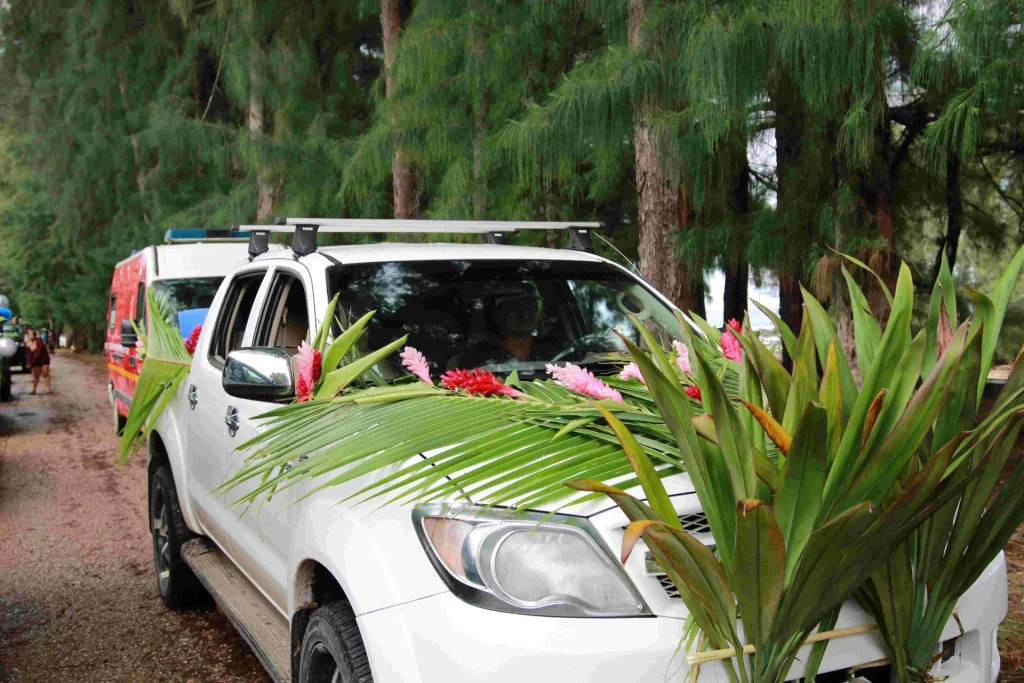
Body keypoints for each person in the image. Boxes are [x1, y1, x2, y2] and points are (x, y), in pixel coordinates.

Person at [25, 330, 51, 394]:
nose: (30, 336)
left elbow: (38, 352)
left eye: (32, 335)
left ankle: (49, 389)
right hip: (35, 361)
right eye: (29, 335)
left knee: (45, 373)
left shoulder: (39, 341)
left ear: (34, 335)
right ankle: (34, 389)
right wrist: (29, 362)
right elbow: (29, 355)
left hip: (43, 359)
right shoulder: (27, 344)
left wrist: (31, 362)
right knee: (36, 376)